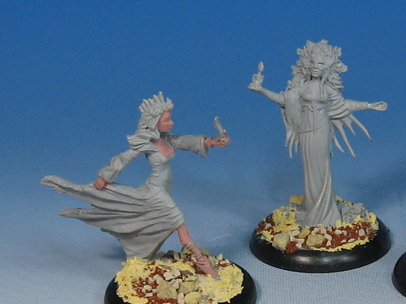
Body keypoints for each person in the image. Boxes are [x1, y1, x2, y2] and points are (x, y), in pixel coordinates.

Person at [41, 92, 228, 278]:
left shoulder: (166, 139)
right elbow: (124, 157)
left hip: (165, 187)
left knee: (166, 224)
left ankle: (140, 253)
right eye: (167, 120)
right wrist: (105, 176)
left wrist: (211, 141)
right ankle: (205, 265)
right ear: (154, 122)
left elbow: (183, 141)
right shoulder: (146, 143)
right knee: (180, 223)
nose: (171, 123)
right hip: (155, 190)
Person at [249, 40, 387, 227]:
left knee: (321, 168)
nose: (316, 67)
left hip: (321, 131)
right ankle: (311, 207)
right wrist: (262, 90)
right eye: (313, 63)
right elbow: (284, 99)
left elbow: (344, 105)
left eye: (321, 64)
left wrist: (369, 105)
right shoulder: (302, 87)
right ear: (307, 64)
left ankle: (326, 213)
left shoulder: (327, 89)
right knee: (309, 169)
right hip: (306, 131)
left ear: (327, 67)